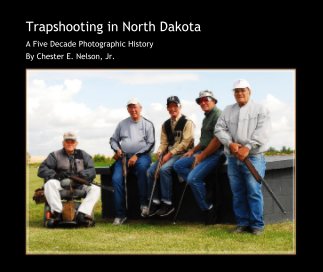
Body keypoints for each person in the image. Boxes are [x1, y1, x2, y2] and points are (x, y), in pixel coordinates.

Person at [214, 79, 271, 235]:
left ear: (249, 91)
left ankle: (257, 225)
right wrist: (230, 143)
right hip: (233, 158)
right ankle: (242, 223)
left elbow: (263, 132)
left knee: (253, 191)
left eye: (242, 90)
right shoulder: (227, 110)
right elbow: (219, 129)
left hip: (253, 157)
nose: (239, 93)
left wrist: (248, 147)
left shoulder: (261, 109)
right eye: (236, 91)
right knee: (238, 192)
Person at [173, 90, 224, 225]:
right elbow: (203, 140)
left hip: (216, 154)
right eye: (200, 101)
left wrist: (200, 156)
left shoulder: (218, 115)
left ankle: (209, 209)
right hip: (204, 152)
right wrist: (192, 151)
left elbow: (216, 141)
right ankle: (202, 186)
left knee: (192, 178)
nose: (203, 102)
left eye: (206, 99)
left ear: (214, 100)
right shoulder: (206, 117)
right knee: (178, 165)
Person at [143, 96, 195, 217]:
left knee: (164, 169)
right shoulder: (165, 124)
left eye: (175, 106)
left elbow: (186, 143)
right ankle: (154, 201)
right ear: (167, 108)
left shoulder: (188, 122)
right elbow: (164, 143)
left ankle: (167, 203)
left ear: (180, 107)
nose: (172, 108)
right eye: (170, 106)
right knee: (150, 171)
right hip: (168, 154)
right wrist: (160, 152)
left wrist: (169, 154)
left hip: (183, 154)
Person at [37, 132, 100, 227]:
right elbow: (42, 170)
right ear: (63, 143)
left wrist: (82, 175)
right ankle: (57, 214)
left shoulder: (83, 155)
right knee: (49, 184)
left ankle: (82, 214)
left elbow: (92, 171)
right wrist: (57, 175)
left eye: (72, 141)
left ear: (76, 143)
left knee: (96, 188)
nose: (70, 143)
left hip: (79, 184)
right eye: (67, 141)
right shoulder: (54, 155)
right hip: (61, 184)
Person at [109, 98, 155, 225]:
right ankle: (120, 215)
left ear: (140, 108)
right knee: (116, 179)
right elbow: (113, 140)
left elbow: (151, 144)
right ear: (127, 109)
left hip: (143, 156)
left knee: (142, 169)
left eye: (135, 107)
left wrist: (137, 155)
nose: (133, 110)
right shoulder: (122, 124)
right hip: (124, 157)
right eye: (130, 107)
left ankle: (144, 205)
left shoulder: (148, 124)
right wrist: (117, 149)